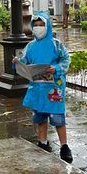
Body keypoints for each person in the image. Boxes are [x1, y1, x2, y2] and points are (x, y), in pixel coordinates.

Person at [13, 12, 73, 163]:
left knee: (58, 117)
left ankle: (64, 146)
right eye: (36, 25)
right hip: (38, 88)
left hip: (54, 87)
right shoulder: (30, 46)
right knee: (40, 117)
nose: (38, 28)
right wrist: (17, 62)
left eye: (41, 25)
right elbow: (23, 61)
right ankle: (42, 142)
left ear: (47, 26)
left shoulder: (56, 44)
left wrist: (57, 68)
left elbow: (66, 59)